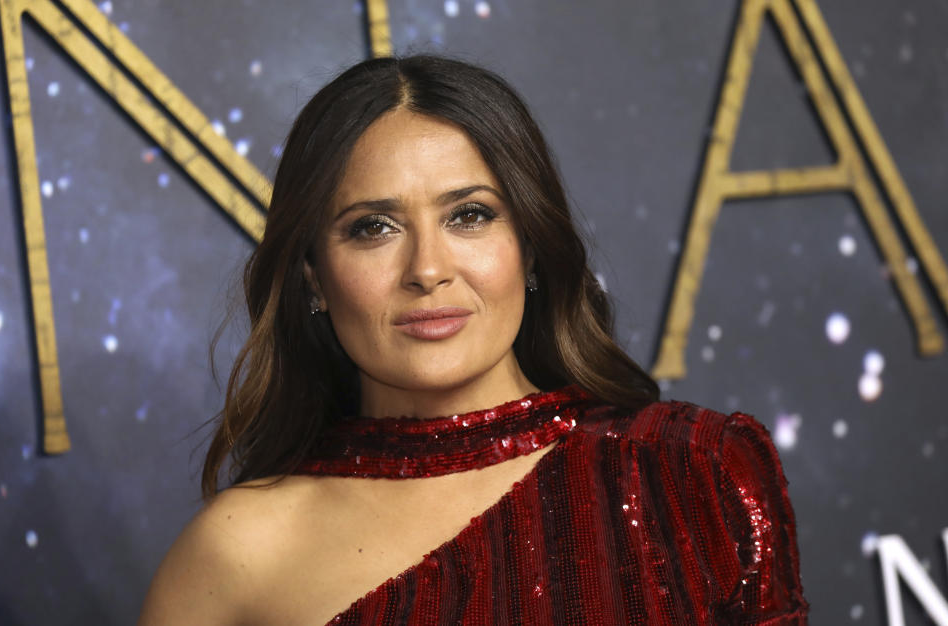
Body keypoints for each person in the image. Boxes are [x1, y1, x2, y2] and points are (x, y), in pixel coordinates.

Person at [138, 54, 809, 625]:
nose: (428, 270)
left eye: (470, 215)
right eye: (373, 227)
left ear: (532, 246)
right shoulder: (238, 553)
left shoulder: (694, 474)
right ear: (314, 276)